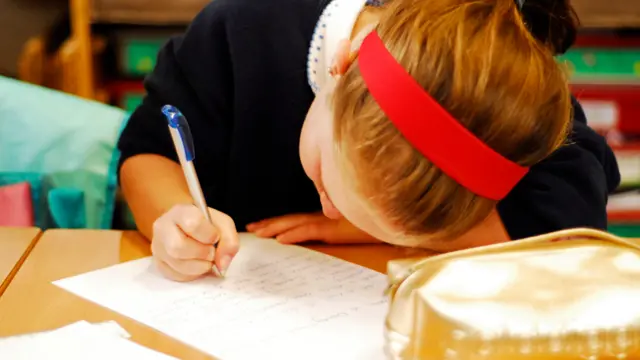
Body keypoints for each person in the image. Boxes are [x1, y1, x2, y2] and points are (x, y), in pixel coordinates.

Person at [117, 0, 620, 281]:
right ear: (347, 60)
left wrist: (371, 232)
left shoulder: (504, 97)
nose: (332, 212)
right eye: (322, 176)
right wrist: (174, 216)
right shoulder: (240, 31)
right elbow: (147, 151)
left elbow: (570, 224)